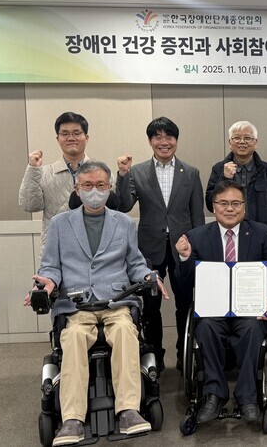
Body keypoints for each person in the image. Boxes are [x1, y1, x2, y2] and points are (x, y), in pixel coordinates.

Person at [25, 161, 168, 446]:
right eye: (87, 185)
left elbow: (135, 263)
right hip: (77, 304)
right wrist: (48, 282)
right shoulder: (60, 224)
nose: (94, 191)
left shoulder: (124, 223)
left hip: (116, 301)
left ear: (109, 188)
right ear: (77, 189)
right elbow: (50, 266)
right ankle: (72, 419)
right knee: (74, 337)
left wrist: (148, 275)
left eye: (101, 185)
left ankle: (128, 411)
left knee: (125, 332)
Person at [175, 180, 267, 423]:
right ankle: (214, 393)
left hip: (249, 310)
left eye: (235, 203)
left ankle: (248, 396)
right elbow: (184, 284)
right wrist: (185, 258)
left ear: (244, 206)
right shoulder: (196, 237)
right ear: (213, 206)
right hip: (213, 312)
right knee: (205, 327)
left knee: (253, 328)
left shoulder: (262, 233)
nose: (230, 209)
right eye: (223, 203)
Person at [115, 117, 205, 372]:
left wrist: (197, 249)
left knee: (184, 303)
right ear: (150, 141)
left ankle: (183, 354)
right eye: (158, 137)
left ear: (176, 140)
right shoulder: (137, 171)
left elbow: (197, 215)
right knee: (151, 306)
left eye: (169, 137)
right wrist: (122, 175)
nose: (164, 142)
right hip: (149, 249)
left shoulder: (191, 172)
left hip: (182, 248)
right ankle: (154, 355)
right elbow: (123, 206)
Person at [19, 112, 91, 254]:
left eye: (77, 133)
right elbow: (29, 206)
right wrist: (33, 170)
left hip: (92, 249)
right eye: (65, 134)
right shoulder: (44, 172)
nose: (71, 138)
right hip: (55, 251)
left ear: (86, 138)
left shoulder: (100, 173)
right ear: (58, 139)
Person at [205, 121, 267, 240]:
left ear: (256, 143)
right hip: (229, 235)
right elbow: (211, 205)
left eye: (247, 138)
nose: (242, 142)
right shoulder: (219, 169)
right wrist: (224, 178)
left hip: (261, 235)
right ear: (230, 143)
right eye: (237, 138)